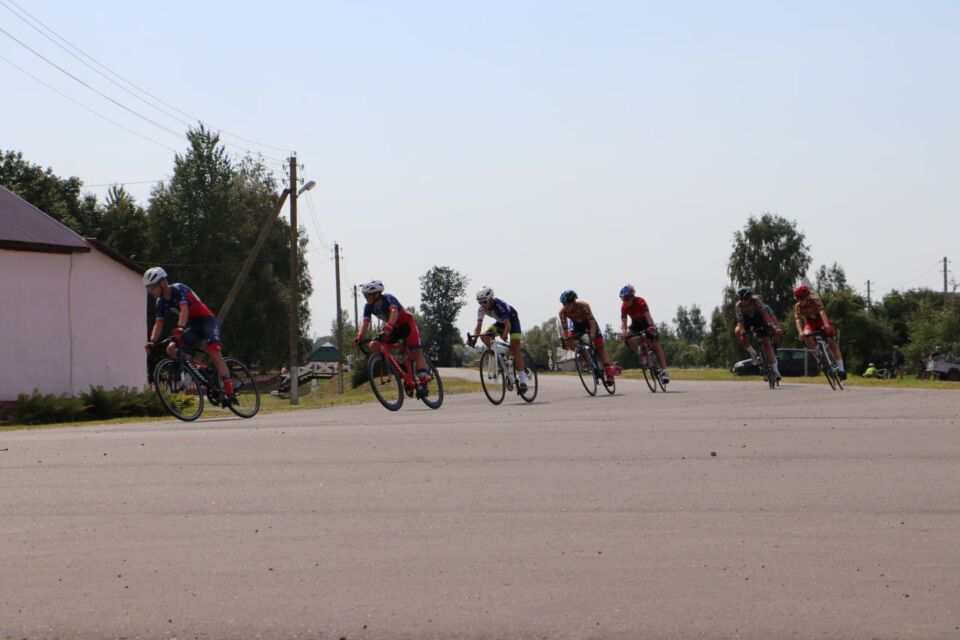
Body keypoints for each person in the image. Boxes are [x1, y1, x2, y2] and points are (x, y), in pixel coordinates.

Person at [143, 267, 236, 403]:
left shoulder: (179, 289)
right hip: (194, 326)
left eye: (152, 287)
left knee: (214, 353)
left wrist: (180, 328)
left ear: (163, 283)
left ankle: (230, 392)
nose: (150, 291)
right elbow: (159, 323)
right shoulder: (160, 302)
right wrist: (152, 341)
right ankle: (200, 368)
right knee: (171, 349)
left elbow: (184, 310)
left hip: (207, 321)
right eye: (148, 288)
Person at [352, 280, 430, 386]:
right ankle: (398, 365)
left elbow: (394, 312)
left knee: (416, 351)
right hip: (394, 328)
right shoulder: (368, 307)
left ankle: (424, 378)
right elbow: (365, 323)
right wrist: (359, 337)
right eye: (365, 295)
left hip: (406, 325)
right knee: (374, 345)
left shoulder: (388, 298)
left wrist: (389, 326)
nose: (366, 297)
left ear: (377, 294)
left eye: (368, 295)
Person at [468, 287, 529, 393]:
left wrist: (504, 335)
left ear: (491, 299)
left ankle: (523, 381)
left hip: (512, 321)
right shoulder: (481, 309)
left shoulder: (499, 305)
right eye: (479, 302)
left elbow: (508, 325)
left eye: (484, 301)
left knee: (514, 348)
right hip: (500, 323)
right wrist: (474, 339)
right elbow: (478, 326)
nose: (482, 304)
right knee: (484, 336)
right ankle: (502, 356)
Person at [558, 290, 616, 384]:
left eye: (568, 304)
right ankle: (584, 355)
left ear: (574, 301)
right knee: (568, 341)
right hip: (576, 325)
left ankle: (609, 374)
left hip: (589, 323)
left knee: (599, 346)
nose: (566, 306)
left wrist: (592, 334)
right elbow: (565, 329)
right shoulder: (562, 313)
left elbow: (592, 321)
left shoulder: (583, 306)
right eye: (564, 304)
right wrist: (566, 340)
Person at [619, 284, 669, 383]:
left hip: (646, 323)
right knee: (627, 337)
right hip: (635, 324)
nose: (625, 301)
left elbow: (648, 316)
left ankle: (664, 372)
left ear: (632, 296)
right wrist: (624, 333)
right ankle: (640, 353)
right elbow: (624, 323)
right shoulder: (624, 306)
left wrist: (651, 326)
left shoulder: (640, 302)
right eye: (623, 299)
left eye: (627, 298)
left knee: (656, 346)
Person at [793, 284, 846, 379]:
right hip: (810, 323)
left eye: (801, 298)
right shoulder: (798, 306)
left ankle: (841, 369)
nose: (800, 301)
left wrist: (826, 324)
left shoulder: (815, 300)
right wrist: (800, 332)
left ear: (807, 296)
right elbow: (798, 320)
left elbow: (822, 312)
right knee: (806, 335)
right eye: (798, 299)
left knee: (831, 342)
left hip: (821, 321)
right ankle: (819, 354)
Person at [734, 287, 782, 381]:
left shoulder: (756, 300)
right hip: (747, 321)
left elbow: (765, 314)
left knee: (767, 344)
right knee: (737, 331)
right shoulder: (739, 305)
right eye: (742, 299)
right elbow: (740, 320)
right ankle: (753, 354)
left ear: (750, 296)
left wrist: (771, 325)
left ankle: (776, 371)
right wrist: (742, 331)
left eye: (746, 299)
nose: (744, 301)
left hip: (759, 319)